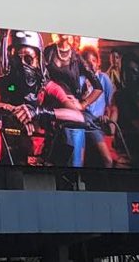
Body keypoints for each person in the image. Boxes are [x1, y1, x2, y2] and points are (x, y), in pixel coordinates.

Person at [0, 31, 92, 166]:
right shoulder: (5, 84)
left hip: (45, 159)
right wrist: (11, 110)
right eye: (17, 59)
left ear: (38, 60)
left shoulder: (47, 87)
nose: (23, 65)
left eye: (28, 59)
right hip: (11, 158)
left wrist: (39, 112)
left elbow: (79, 117)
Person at [43, 34, 102, 166]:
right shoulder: (48, 52)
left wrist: (83, 104)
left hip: (71, 116)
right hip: (51, 114)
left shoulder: (76, 57)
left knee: (73, 164)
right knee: (51, 163)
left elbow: (98, 87)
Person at [80, 47, 116, 168]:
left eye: (94, 60)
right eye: (87, 61)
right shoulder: (80, 79)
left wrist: (107, 117)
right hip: (82, 121)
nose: (91, 64)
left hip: (96, 124)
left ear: (98, 62)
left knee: (107, 160)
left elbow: (111, 105)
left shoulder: (103, 79)